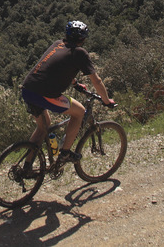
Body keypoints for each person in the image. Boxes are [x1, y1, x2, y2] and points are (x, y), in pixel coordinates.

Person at [21, 20, 114, 166]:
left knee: (43, 127)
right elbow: (97, 81)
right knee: (80, 112)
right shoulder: (80, 53)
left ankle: (25, 168)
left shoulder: (57, 44)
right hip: (43, 94)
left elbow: (57, 67)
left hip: (27, 89)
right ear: (83, 39)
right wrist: (107, 101)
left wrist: (75, 84)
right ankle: (65, 153)